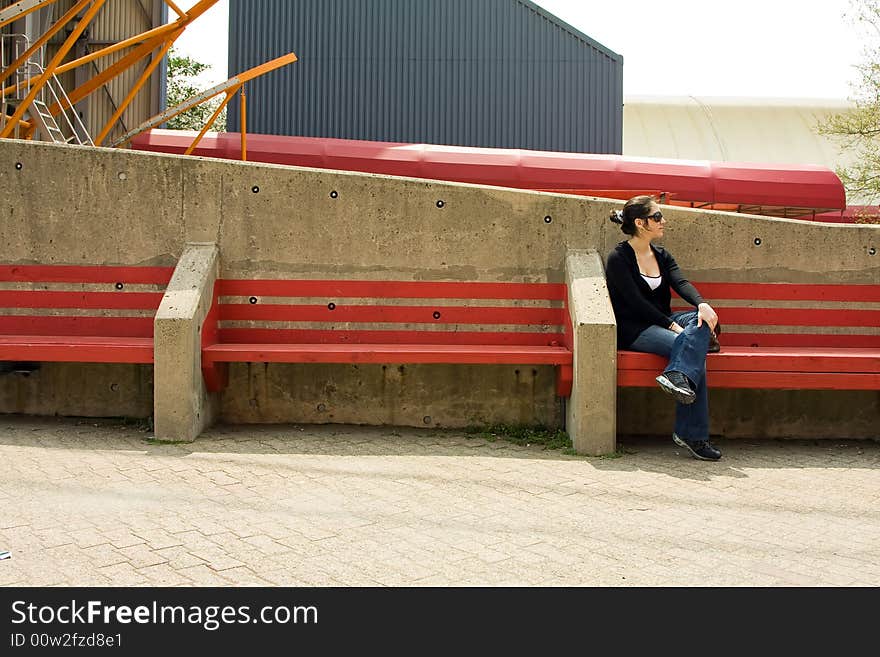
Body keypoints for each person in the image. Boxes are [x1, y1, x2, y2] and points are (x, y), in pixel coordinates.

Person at [605, 195, 722, 461]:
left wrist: (702, 305)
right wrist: (671, 326)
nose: (663, 221)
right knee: (694, 352)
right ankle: (693, 436)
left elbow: (681, 283)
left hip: (665, 321)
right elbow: (635, 303)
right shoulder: (618, 258)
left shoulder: (662, 255)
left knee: (698, 321)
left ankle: (675, 376)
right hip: (635, 329)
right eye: (657, 217)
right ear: (640, 222)